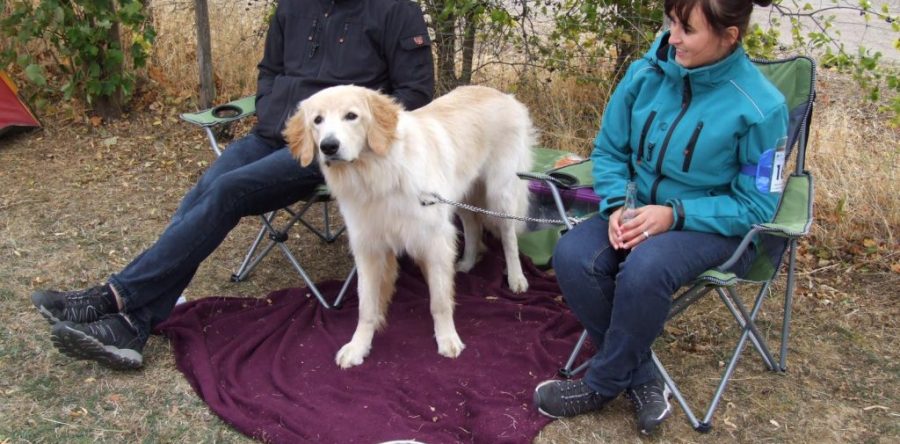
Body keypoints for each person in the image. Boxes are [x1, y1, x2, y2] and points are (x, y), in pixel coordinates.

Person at [31, 0, 435, 370]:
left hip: (331, 152)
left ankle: (114, 298)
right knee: (206, 187)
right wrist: (269, 106)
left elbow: (415, 95)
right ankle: (133, 323)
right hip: (274, 134)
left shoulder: (396, 10)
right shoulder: (292, 6)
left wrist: (356, 139)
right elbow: (270, 70)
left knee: (229, 191)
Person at [532, 0, 788, 435]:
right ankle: (644, 377)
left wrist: (674, 215)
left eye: (688, 29)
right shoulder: (645, 74)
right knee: (574, 254)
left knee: (646, 268)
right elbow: (610, 152)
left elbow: (756, 207)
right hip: (639, 210)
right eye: (672, 22)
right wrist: (618, 205)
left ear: (729, 36)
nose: (673, 38)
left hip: (716, 228)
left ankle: (601, 384)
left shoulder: (762, 107)